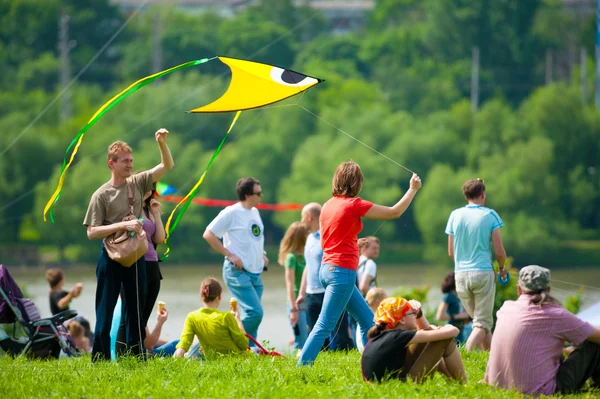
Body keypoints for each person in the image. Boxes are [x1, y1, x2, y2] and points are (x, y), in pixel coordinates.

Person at [298, 161, 422, 366]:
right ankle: (302, 367)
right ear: (356, 183)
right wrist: (412, 189)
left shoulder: (328, 205)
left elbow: (325, 243)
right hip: (341, 273)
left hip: (326, 270)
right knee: (324, 325)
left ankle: (375, 362)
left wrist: (353, 243)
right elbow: (394, 212)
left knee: (368, 322)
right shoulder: (354, 204)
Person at [83, 129, 174, 361]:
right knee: (104, 313)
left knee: (135, 312)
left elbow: (167, 166)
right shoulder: (100, 195)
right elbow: (92, 232)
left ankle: (136, 358)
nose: (130, 165)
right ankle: (100, 360)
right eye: (125, 161)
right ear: (111, 163)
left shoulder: (138, 182)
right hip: (111, 258)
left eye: (131, 161)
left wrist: (162, 143)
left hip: (135, 256)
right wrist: (123, 225)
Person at [484, 265, 600, 396]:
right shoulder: (556, 314)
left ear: (519, 290)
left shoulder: (506, 308)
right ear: (548, 289)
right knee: (593, 343)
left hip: (498, 386)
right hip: (541, 392)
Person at [203, 177, 268, 343]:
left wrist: (261, 254)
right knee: (255, 313)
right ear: (247, 195)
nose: (261, 196)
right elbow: (208, 234)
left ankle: (248, 348)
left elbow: (254, 238)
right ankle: (221, 341)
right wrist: (229, 254)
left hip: (255, 272)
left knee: (252, 315)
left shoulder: (254, 212)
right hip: (237, 271)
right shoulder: (230, 212)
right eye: (258, 193)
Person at [445, 178, 507, 351]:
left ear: (466, 196)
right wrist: (502, 268)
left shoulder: (454, 215)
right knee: (482, 323)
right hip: (483, 273)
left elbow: (451, 252)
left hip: (461, 275)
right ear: (482, 194)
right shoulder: (490, 215)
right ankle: (466, 354)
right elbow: (500, 251)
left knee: (480, 322)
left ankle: (490, 359)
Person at [361, 297, 467, 383]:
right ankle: (464, 384)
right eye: (413, 314)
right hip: (400, 387)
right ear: (402, 320)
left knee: (431, 341)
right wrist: (443, 328)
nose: (415, 316)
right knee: (444, 340)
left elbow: (425, 333)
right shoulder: (399, 336)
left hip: (386, 384)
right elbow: (453, 332)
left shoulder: (385, 334)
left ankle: (454, 383)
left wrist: (419, 314)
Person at [116, 177, 165, 355]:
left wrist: (156, 214)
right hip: (135, 263)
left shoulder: (148, 209)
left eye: (151, 189)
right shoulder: (127, 208)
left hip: (152, 265)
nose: (148, 192)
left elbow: (160, 238)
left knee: (142, 315)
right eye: (145, 188)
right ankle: (123, 353)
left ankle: (137, 351)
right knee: (129, 312)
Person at [297, 202, 353, 352]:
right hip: (312, 293)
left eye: (302, 217)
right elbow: (308, 266)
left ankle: (347, 357)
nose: (301, 221)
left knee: (339, 332)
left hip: (329, 290)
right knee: (316, 334)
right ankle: (320, 360)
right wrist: (302, 292)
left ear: (309, 217)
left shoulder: (327, 236)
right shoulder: (309, 239)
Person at [174, 277, 248, 359]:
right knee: (255, 349)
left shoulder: (192, 317)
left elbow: (184, 344)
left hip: (210, 359)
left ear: (201, 296)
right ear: (219, 296)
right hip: (234, 359)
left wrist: (176, 360)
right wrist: (238, 321)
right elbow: (244, 345)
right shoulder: (226, 317)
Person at [278, 221, 310, 351]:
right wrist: (293, 310)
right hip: (297, 302)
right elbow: (289, 284)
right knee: (301, 337)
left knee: (308, 334)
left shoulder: (307, 255)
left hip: (310, 299)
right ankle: (298, 365)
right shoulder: (291, 258)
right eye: (307, 233)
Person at [435, 272, 471, 345]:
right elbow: (439, 316)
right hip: (451, 328)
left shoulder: (462, 295)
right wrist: (458, 316)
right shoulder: (449, 296)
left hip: (462, 328)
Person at [356, 288, 388, 352]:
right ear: (378, 302)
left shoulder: (364, 317)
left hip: (362, 349)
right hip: (371, 350)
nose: (388, 304)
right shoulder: (377, 318)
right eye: (386, 301)